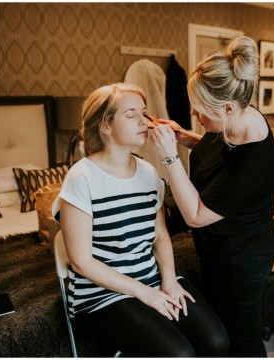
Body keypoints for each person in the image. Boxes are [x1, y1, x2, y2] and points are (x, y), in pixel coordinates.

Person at [53, 83, 229, 357]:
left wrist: (168, 280)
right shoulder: (82, 177)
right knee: (178, 354)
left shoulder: (148, 173)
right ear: (106, 126)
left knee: (217, 342)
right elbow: (81, 262)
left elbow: (160, 236)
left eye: (144, 113)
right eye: (130, 114)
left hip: (151, 279)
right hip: (101, 296)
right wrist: (143, 294)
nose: (143, 121)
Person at [150, 36, 274, 357]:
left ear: (227, 107)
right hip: (221, 245)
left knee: (243, 339)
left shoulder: (253, 157)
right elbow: (219, 152)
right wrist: (186, 138)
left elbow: (195, 213)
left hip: (240, 257)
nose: (194, 112)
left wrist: (169, 157)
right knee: (225, 324)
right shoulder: (240, 119)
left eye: (200, 108)